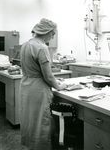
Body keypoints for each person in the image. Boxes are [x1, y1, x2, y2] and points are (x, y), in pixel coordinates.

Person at [19, 18, 67, 150]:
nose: (52, 37)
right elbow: (48, 76)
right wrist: (59, 86)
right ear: (47, 32)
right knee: (41, 121)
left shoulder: (26, 44)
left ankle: (30, 145)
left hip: (26, 86)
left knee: (29, 119)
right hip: (38, 89)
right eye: (52, 34)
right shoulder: (42, 47)